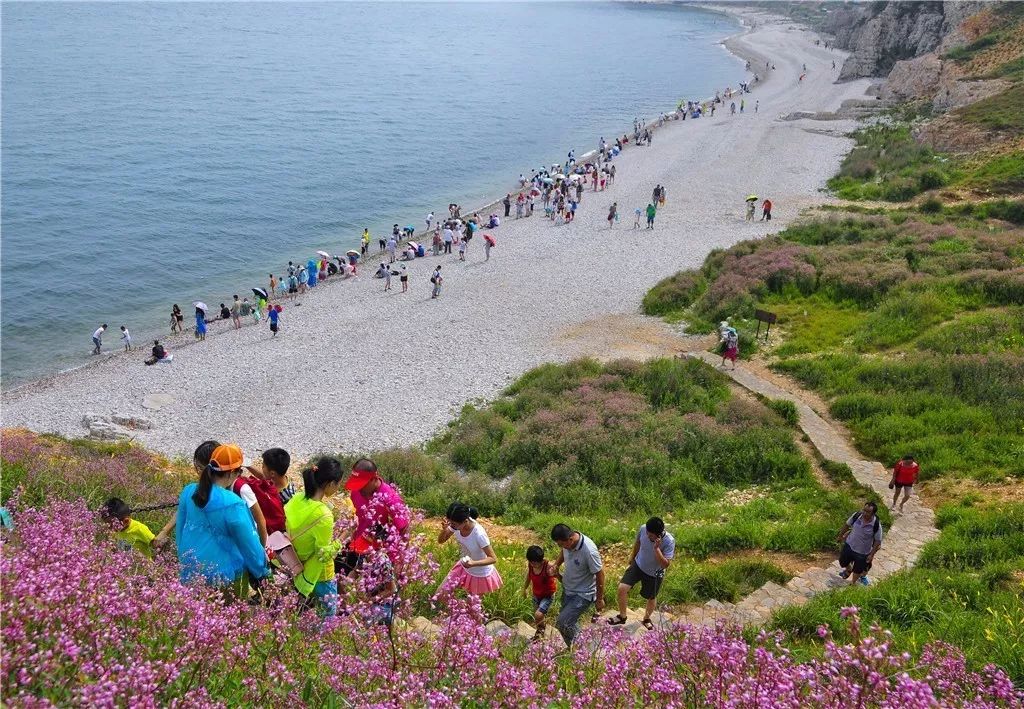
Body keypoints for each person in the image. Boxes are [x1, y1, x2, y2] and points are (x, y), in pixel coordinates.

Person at [175, 443, 269, 597]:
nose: (239, 474)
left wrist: (184, 562)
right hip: (225, 576)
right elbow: (249, 543)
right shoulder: (233, 503)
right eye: (239, 471)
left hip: (191, 571)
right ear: (232, 472)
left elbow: (180, 530)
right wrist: (261, 570)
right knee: (230, 619)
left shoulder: (188, 491)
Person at [285, 457, 346, 617]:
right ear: (330, 483)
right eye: (338, 484)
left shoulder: (297, 498)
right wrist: (345, 537)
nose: (338, 488)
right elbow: (324, 554)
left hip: (297, 566)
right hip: (320, 575)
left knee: (305, 614)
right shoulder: (323, 514)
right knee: (327, 619)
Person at [337, 458, 410, 576]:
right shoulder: (356, 492)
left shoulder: (390, 499)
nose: (359, 488)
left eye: (362, 484)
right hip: (358, 547)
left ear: (374, 479)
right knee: (341, 578)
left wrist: (399, 563)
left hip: (381, 556)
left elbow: (404, 530)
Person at [608, 517, 674, 629]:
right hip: (638, 564)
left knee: (651, 597)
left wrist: (657, 549)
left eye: (651, 535)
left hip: (656, 572)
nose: (648, 536)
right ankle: (622, 616)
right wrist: (632, 557)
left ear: (659, 534)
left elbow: (665, 564)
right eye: (647, 533)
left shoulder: (669, 541)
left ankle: (646, 618)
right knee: (622, 588)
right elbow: (638, 542)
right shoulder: (643, 528)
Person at [550, 523, 604, 647]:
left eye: (561, 544)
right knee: (568, 623)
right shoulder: (567, 544)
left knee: (563, 622)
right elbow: (563, 552)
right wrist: (556, 565)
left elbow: (600, 574)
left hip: (583, 594)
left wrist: (600, 599)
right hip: (568, 590)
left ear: (570, 539)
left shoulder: (589, 551)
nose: (561, 547)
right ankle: (574, 649)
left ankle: (583, 649)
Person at [437, 503, 502, 597]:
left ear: (465, 521)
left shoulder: (479, 534)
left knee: (472, 606)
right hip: (463, 566)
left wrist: (472, 563)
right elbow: (441, 541)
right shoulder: (455, 525)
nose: (451, 526)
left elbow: (493, 558)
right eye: (450, 522)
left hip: (479, 574)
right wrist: (444, 530)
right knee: (441, 594)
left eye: (454, 524)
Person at [837, 501, 883, 586]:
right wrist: (840, 535)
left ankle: (853, 582)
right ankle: (848, 569)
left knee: (858, 570)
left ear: (873, 513)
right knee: (842, 561)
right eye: (864, 510)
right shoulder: (857, 516)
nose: (865, 513)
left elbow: (877, 541)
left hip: (862, 552)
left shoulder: (876, 524)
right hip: (849, 545)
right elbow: (847, 525)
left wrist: (871, 554)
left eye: (868, 512)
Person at [523, 545, 557, 642]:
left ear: (541, 560)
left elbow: (556, 573)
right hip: (536, 594)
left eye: (535, 563)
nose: (533, 564)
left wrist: (556, 573)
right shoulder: (531, 565)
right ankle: (541, 630)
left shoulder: (548, 566)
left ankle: (540, 632)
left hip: (547, 595)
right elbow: (528, 576)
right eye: (531, 562)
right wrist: (524, 588)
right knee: (538, 616)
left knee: (538, 614)